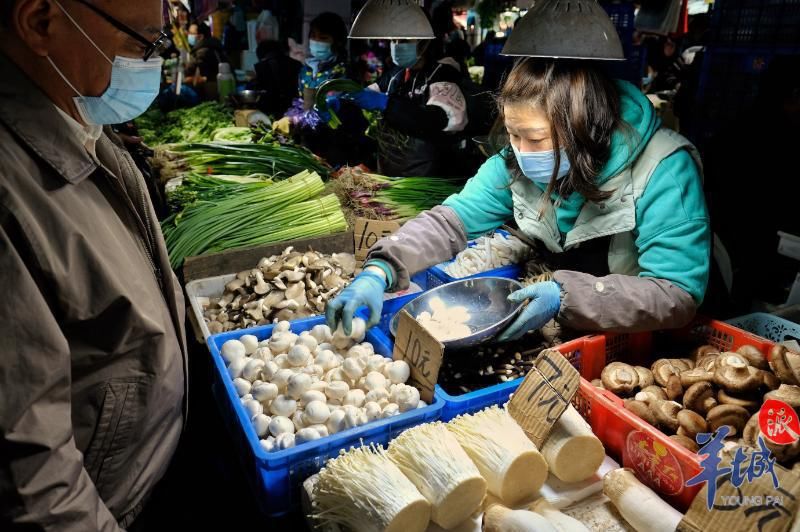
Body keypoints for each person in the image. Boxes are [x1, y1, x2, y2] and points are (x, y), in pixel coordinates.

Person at [327, 58, 710, 340]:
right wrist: (383, 268)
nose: (521, 151)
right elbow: (451, 221)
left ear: (583, 130)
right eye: (513, 134)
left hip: (651, 333)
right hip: (582, 324)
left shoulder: (664, 169)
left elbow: (675, 293)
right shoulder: (514, 162)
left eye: (536, 139)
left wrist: (565, 295)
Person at [0, 0, 187, 529]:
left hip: (145, 475)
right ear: (40, 22)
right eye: (142, 43)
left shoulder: (80, 122)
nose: (153, 62)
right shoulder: (10, 192)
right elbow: (34, 482)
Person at [341, 35, 473, 177]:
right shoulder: (395, 74)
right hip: (389, 178)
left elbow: (438, 121)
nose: (397, 45)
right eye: (393, 40)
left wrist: (387, 103)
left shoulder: (443, 73)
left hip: (427, 179)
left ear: (424, 42)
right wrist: (343, 103)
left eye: (404, 40)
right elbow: (369, 93)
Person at [252, 39, 301, 117]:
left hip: (269, 111)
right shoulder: (297, 64)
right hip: (295, 110)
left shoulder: (260, 67)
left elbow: (255, 91)